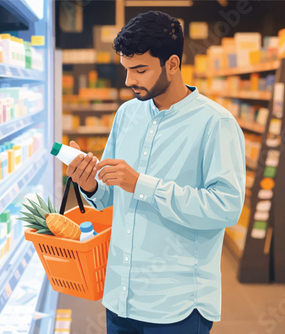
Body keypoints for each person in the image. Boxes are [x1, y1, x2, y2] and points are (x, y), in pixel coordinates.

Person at [66, 11, 246, 334]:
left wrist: (142, 185)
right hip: (120, 300)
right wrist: (90, 183)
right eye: (126, 69)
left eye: (140, 70)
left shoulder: (215, 123)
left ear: (172, 64)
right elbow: (110, 197)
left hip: (176, 307)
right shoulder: (126, 115)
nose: (129, 80)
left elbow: (226, 207)